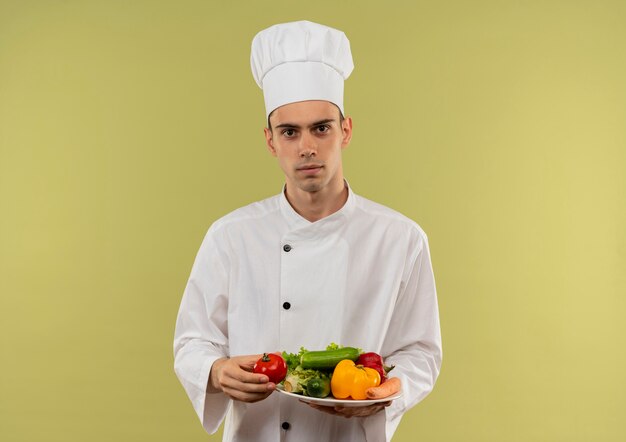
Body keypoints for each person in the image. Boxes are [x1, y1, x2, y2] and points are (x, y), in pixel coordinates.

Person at [173, 20, 442, 441]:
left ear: (345, 130)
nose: (307, 147)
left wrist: (390, 388)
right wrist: (216, 370)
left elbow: (420, 351)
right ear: (270, 141)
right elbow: (192, 340)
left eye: (321, 128)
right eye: (289, 132)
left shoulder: (401, 239)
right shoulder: (230, 237)